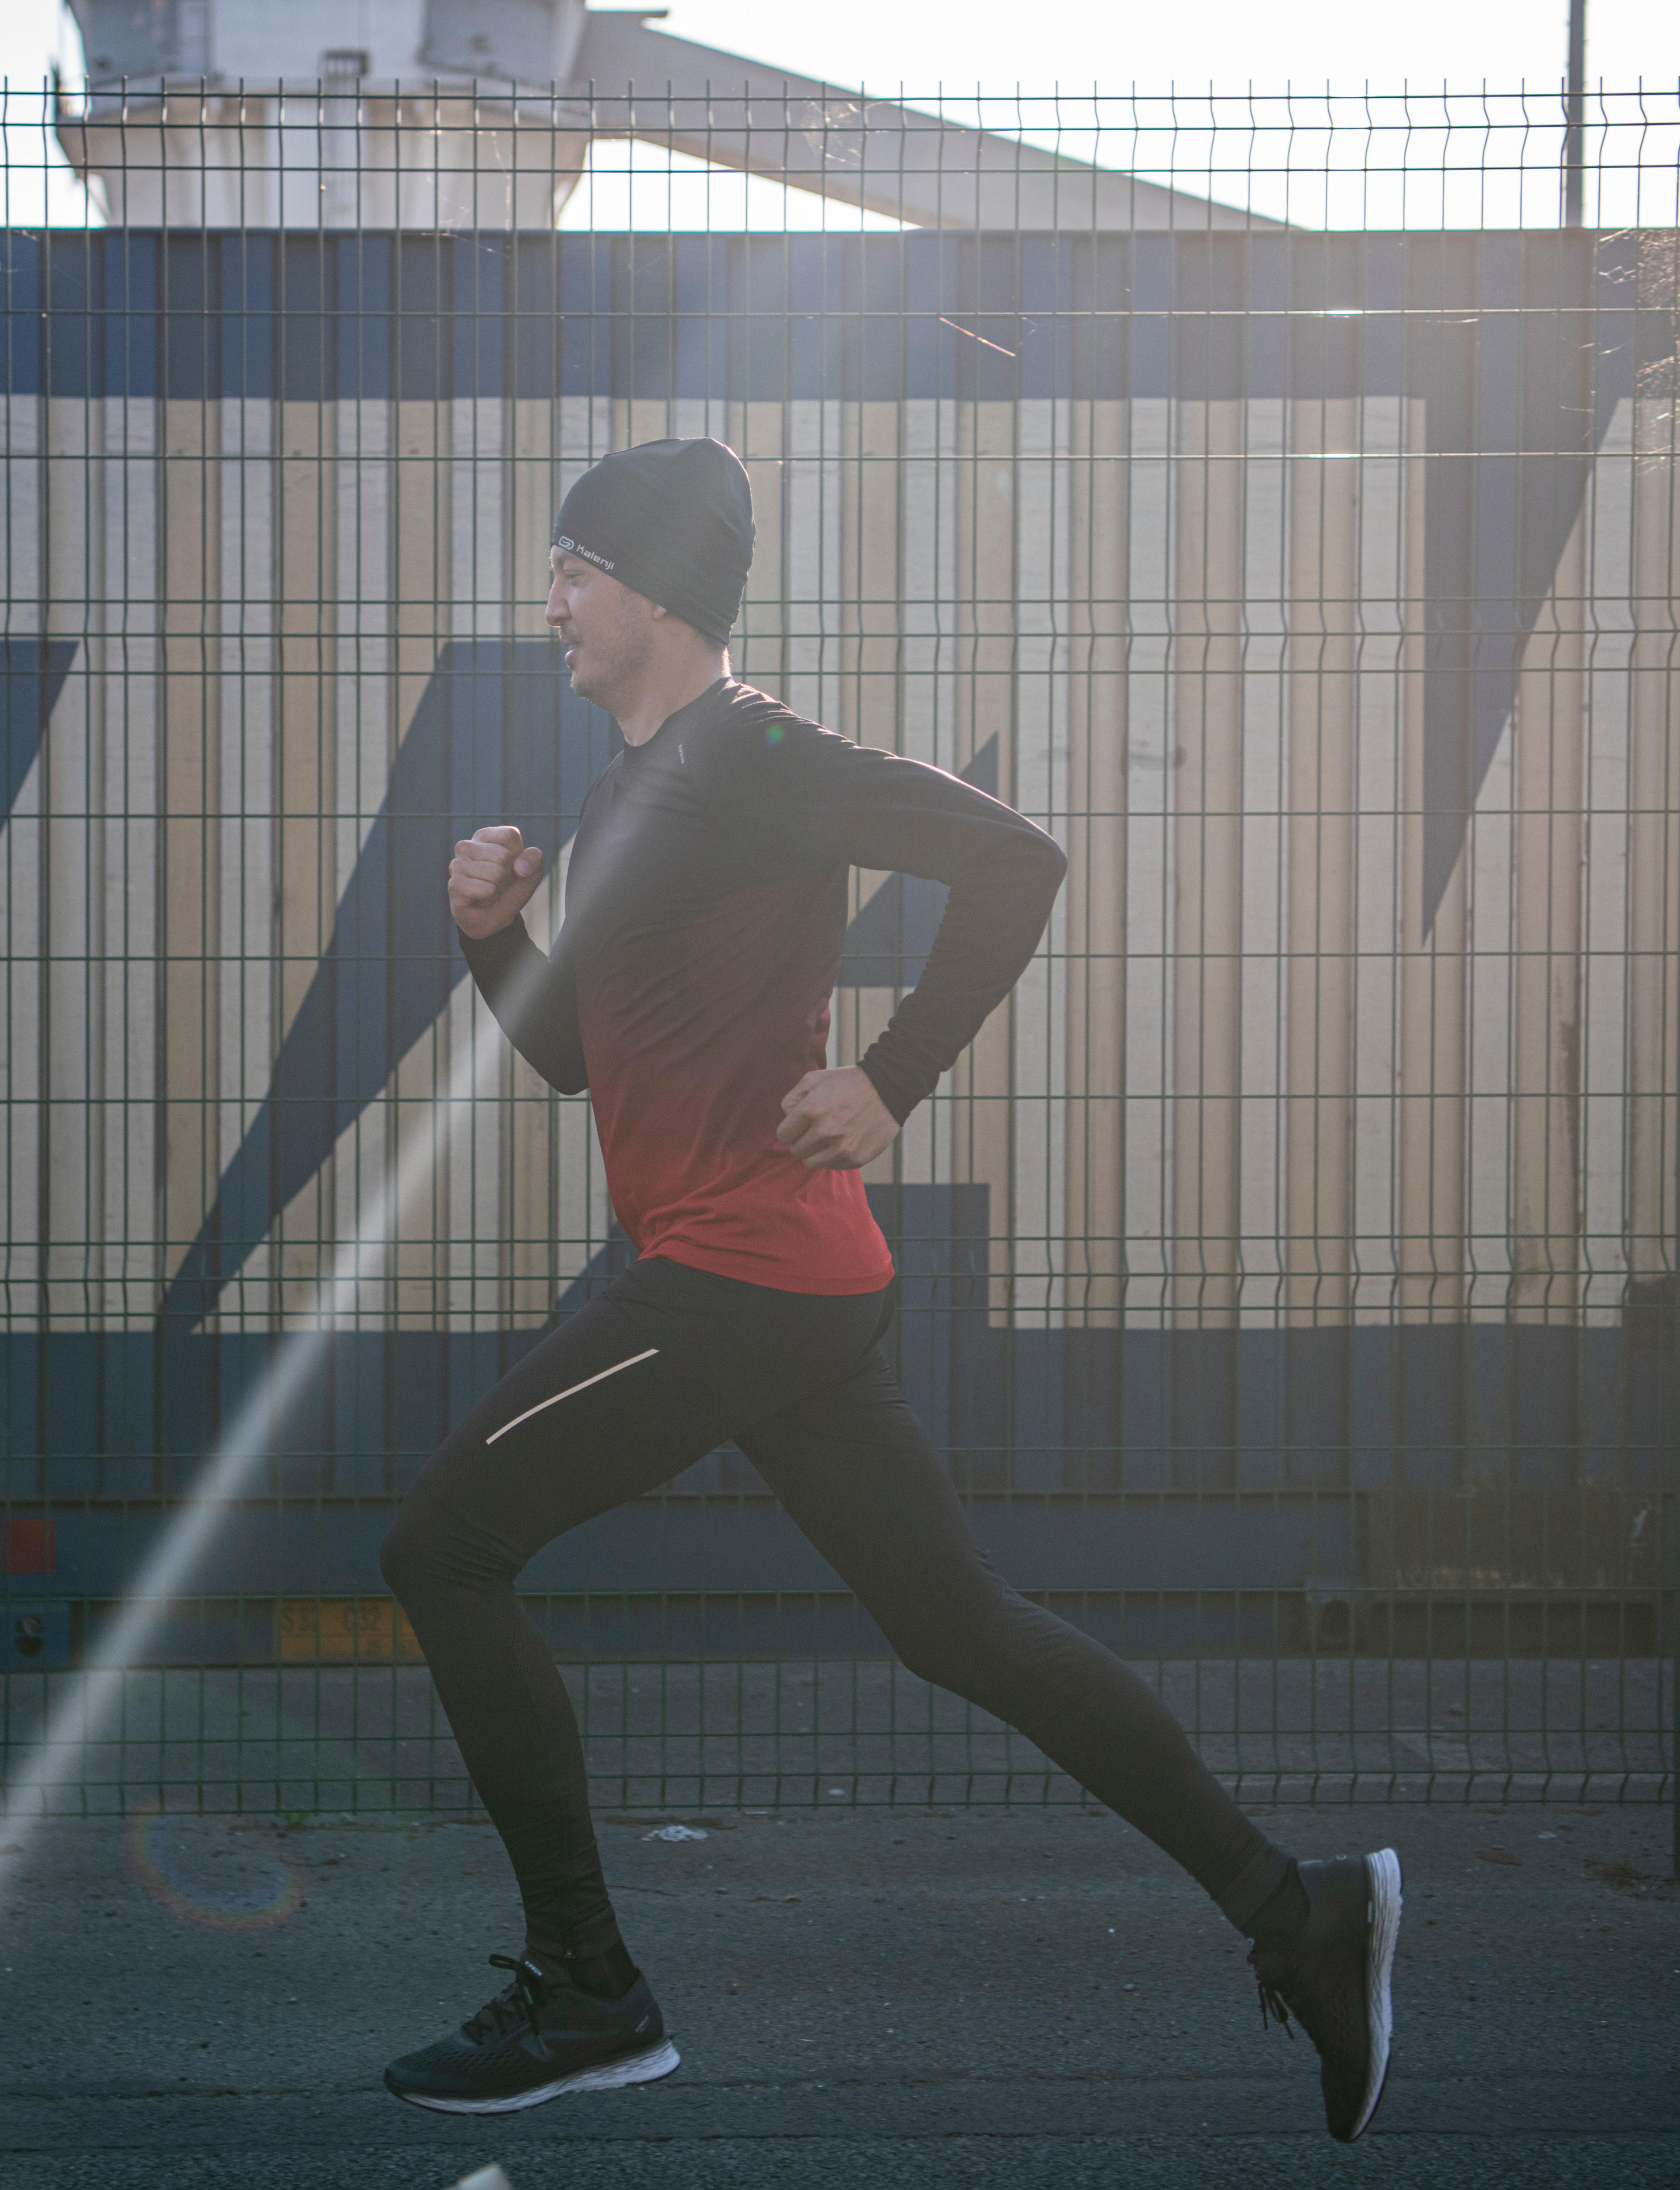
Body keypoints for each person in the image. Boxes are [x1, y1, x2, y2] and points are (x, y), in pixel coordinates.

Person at [378, 437, 1402, 2140]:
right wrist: (493, 935)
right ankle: (1296, 1907)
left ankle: (585, 1989)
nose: (550, 600)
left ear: (655, 588)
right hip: (786, 1282)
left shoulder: (748, 754)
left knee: (440, 1544)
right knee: (957, 1626)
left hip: (738, 1274)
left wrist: (895, 1078)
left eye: (575, 568)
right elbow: (574, 1062)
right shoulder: (633, 785)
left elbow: (1015, 859)